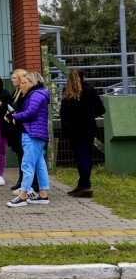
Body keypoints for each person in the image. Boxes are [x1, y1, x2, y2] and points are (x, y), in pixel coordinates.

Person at [7, 72, 51, 207]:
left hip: (32, 133)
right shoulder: (38, 94)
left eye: (24, 83)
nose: (22, 85)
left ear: (33, 83)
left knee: (27, 164)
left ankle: (23, 195)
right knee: (39, 164)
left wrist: (14, 116)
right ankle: (43, 194)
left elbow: (30, 113)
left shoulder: (36, 95)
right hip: (36, 133)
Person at [60, 69, 105, 198]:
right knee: (87, 156)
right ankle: (83, 184)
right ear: (83, 77)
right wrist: (90, 115)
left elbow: (63, 113)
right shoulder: (90, 90)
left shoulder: (67, 92)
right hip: (88, 127)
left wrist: (66, 127)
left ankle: (85, 186)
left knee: (80, 157)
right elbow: (101, 109)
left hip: (74, 129)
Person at [7, 69, 39, 194]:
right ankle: (22, 181)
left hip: (24, 129)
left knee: (28, 158)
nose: (12, 80)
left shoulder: (27, 94)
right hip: (16, 128)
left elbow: (25, 111)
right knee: (21, 157)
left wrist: (14, 115)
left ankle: (31, 185)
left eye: (15, 78)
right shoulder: (16, 92)